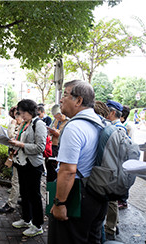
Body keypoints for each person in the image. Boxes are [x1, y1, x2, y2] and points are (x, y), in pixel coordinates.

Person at [48, 80, 108, 244]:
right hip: (98, 194)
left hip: (76, 196)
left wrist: (60, 203)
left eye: (65, 95)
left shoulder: (74, 127)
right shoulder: (100, 123)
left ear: (79, 100)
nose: (61, 100)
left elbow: (68, 170)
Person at [9, 99, 46, 237]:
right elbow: (21, 140)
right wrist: (13, 143)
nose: (20, 115)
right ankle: (26, 219)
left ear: (30, 111)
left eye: (22, 112)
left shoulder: (39, 124)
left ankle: (37, 225)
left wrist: (21, 145)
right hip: (21, 162)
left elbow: (40, 147)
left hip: (33, 164)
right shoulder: (26, 123)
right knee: (24, 193)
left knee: (34, 195)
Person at [104, 100, 127, 241]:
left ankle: (110, 229)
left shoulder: (118, 129)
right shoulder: (115, 127)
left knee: (111, 201)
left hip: (114, 171)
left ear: (112, 113)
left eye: (107, 111)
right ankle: (114, 225)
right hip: (113, 170)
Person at [0, 106, 23, 214]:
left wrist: (12, 124)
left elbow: (12, 136)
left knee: (16, 181)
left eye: (18, 115)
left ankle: (11, 204)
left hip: (22, 158)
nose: (16, 117)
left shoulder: (25, 125)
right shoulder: (25, 124)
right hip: (18, 157)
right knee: (17, 180)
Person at [45, 104, 68, 182]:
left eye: (58, 116)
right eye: (55, 117)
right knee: (49, 166)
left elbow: (65, 135)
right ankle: (50, 186)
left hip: (61, 147)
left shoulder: (68, 122)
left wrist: (57, 133)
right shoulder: (55, 120)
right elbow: (50, 129)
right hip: (53, 146)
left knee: (56, 169)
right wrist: (51, 131)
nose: (57, 118)